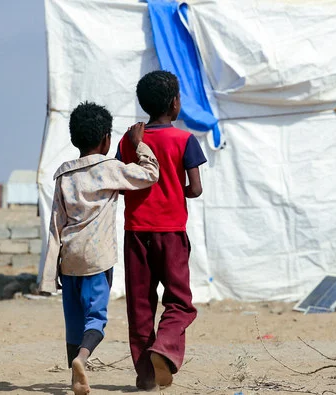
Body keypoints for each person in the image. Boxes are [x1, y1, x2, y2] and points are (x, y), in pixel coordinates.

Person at [39, 102, 160, 395]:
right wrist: (139, 144)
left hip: (69, 259)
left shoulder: (63, 175)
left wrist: (48, 272)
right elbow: (149, 174)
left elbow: (56, 223)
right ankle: (82, 358)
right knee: (96, 319)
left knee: (74, 321)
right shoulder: (110, 169)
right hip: (97, 259)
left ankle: (74, 373)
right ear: (106, 138)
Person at [116, 70, 206, 390]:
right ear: (174, 103)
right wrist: (172, 186)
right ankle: (164, 349)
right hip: (170, 232)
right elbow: (195, 189)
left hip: (135, 231)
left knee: (140, 305)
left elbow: (123, 180)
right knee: (180, 301)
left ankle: (145, 376)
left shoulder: (129, 141)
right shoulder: (184, 140)